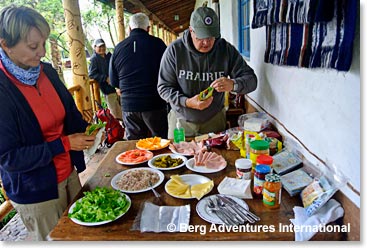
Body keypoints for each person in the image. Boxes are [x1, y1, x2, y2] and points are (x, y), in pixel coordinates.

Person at [0, 5, 96, 240]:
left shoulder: (47, 72)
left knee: (83, 235)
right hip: (36, 190)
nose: (42, 52)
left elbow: (70, 115)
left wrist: (90, 130)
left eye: (43, 43)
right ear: (5, 45)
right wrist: (63, 145)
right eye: (33, 46)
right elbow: (9, 158)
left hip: (69, 174)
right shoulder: (3, 89)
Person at [158, 7, 258, 138]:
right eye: (201, 37)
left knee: (216, 157)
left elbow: (252, 80)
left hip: (214, 120)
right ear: (191, 31)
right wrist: (186, 102)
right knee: (179, 157)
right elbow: (163, 88)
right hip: (181, 122)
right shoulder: (175, 51)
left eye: (211, 37)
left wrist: (233, 84)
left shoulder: (226, 50)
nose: (206, 42)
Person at [110, 13, 168, 140]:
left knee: (134, 145)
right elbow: (169, 73)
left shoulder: (118, 48)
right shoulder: (158, 44)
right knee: (160, 143)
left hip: (129, 106)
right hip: (155, 104)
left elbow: (114, 81)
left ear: (129, 29)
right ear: (148, 28)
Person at [89, 38, 122, 120]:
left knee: (122, 109)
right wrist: (105, 78)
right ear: (95, 47)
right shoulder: (94, 59)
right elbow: (92, 74)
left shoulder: (109, 56)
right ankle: (118, 129)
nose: (101, 48)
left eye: (103, 46)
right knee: (114, 112)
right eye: (99, 47)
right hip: (107, 89)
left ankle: (124, 127)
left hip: (117, 87)